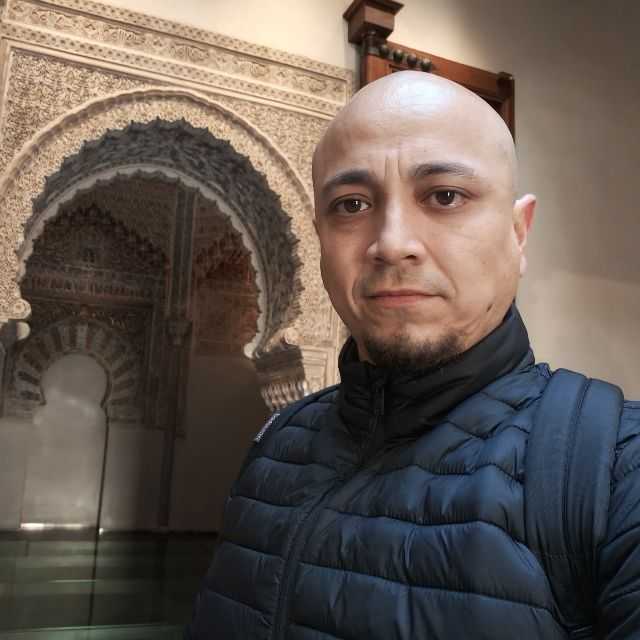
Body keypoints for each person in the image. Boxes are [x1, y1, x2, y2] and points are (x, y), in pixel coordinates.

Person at [186, 71, 640, 639]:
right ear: (320, 239)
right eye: (351, 204)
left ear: (519, 232)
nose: (392, 243)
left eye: (445, 196)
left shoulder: (616, 472)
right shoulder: (277, 448)